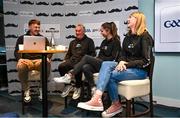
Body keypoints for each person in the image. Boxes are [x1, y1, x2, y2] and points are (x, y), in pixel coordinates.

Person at [77, 11, 154, 117]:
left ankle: (114, 104)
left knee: (111, 75)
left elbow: (146, 61)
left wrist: (126, 64)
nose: (128, 19)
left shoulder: (145, 37)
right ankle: (97, 98)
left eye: (130, 17)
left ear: (138, 20)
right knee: (106, 64)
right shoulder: (127, 37)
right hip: (126, 66)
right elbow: (122, 54)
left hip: (140, 71)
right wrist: (122, 61)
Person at [54, 22, 121, 100]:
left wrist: (97, 60)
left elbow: (114, 58)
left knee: (86, 58)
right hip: (101, 63)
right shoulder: (104, 42)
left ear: (108, 30)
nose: (101, 32)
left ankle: (69, 75)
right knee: (86, 67)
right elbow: (100, 56)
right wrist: (97, 60)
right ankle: (93, 87)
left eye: (102, 31)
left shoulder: (116, 42)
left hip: (108, 65)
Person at [54, 24, 96, 99]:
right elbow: (68, 54)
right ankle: (68, 85)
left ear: (84, 31)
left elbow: (93, 54)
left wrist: (86, 61)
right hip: (72, 60)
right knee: (61, 66)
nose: (77, 32)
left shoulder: (89, 41)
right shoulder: (72, 42)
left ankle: (78, 87)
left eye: (79, 31)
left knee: (77, 67)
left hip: (83, 61)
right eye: (76, 31)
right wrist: (65, 60)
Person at [14, 19, 52, 103]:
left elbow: (49, 51)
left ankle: (42, 89)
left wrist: (47, 58)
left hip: (39, 61)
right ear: (29, 27)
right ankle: (26, 90)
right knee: (21, 65)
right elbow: (16, 51)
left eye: (38, 27)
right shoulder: (22, 38)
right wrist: (20, 59)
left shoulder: (43, 38)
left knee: (46, 64)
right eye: (35, 27)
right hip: (27, 61)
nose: (37, 29)